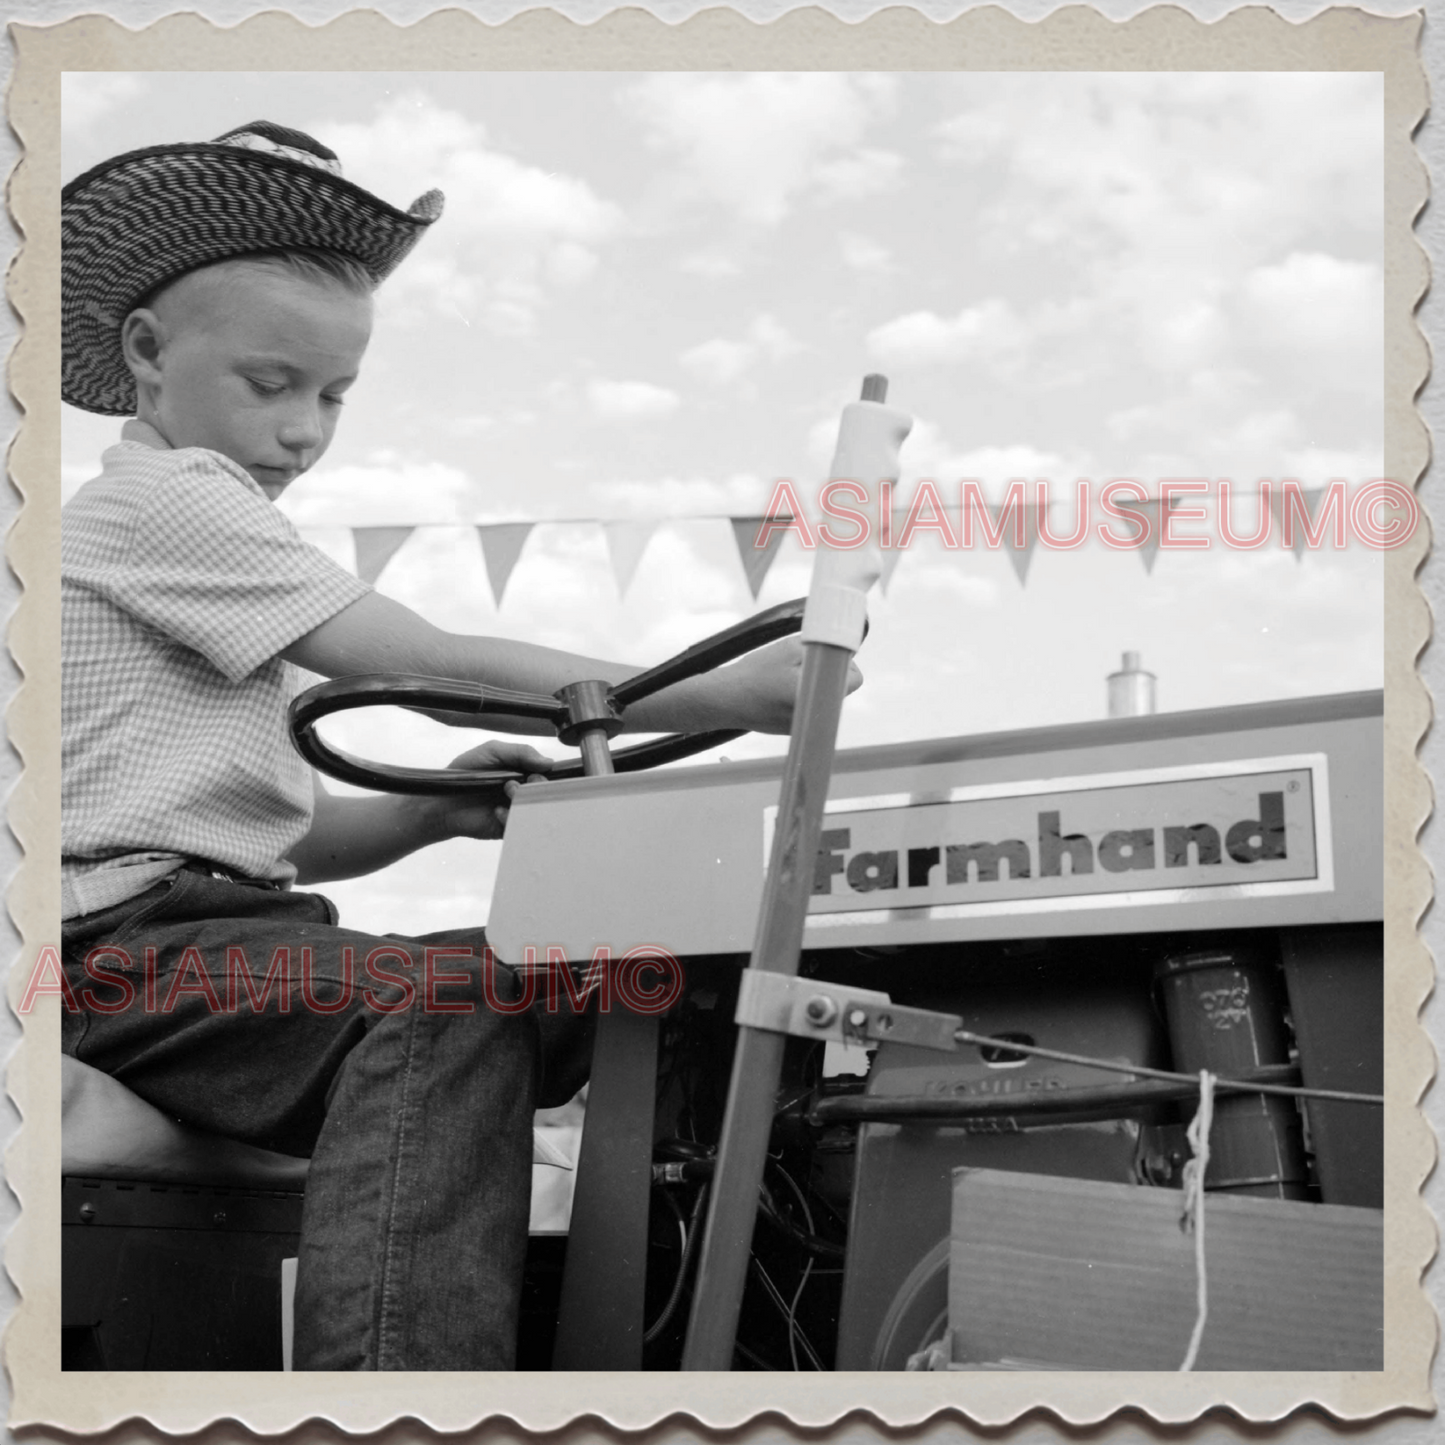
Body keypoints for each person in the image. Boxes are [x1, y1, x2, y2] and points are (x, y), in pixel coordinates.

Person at [58, 121, 821, 1370]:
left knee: (619, 987)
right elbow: (429, 665)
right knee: (451, 994)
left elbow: (279, 832)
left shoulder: (210, 560)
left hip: (225, 942)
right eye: (270, 384)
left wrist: (426, 815)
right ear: (148, 353)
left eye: (334, 396)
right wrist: (718, 692)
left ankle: (681, 1346)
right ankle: (400, 1391)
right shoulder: (161, 500)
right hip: (116, 958)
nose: (304, 430)